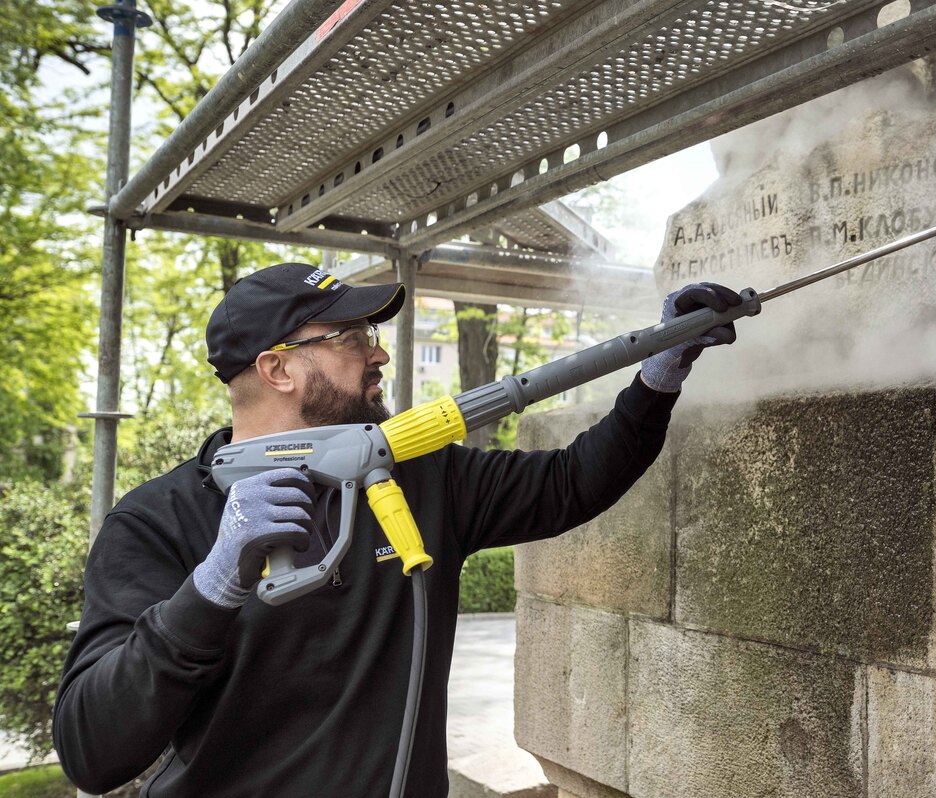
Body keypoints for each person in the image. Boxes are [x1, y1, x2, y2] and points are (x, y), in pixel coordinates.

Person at [53, 262, 742, 797]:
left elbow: (571, 483)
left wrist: (658, 373)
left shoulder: (420, 475)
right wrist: (209, 587)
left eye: (371, 335)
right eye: (351, 338)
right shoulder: (156, 521)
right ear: (278, 368)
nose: (376, 354)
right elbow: (93, 749)